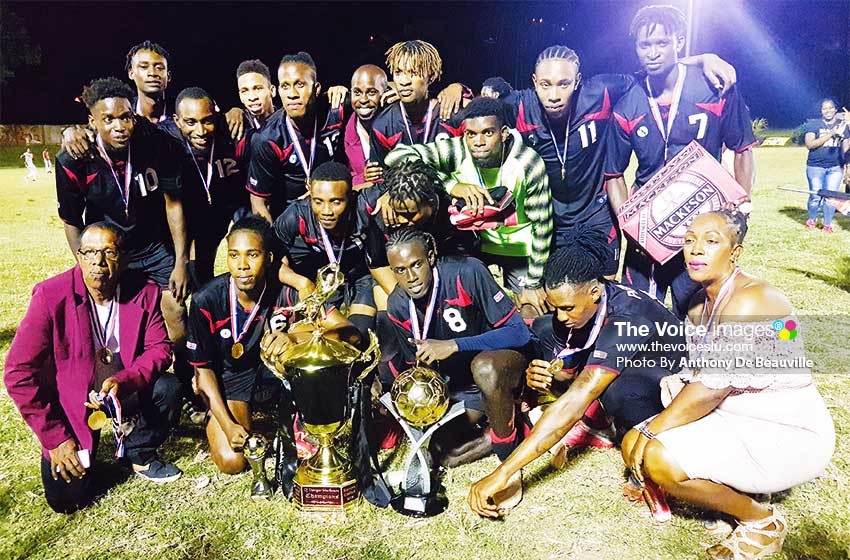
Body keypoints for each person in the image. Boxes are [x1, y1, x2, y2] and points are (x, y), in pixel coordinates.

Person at [620, 210, 835, 559]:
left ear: (735, 252)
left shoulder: (752, 300)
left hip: (790, 430)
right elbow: (700, 378)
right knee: (636, 438)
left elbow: (710, 389)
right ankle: (743, 489)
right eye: (689, 241)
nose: (696, 250)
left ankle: (761, 521)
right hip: (737, 417)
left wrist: (650, 432)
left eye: (710, 241)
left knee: (656, 456)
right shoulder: (697, 306)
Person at [458, 45, 737, 278]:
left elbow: (655, 71)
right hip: (548, 223)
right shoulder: (519, 106)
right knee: (557, 300)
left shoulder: (601, 92)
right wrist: (456, 87)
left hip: (597, 217)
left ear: (577, 81)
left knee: (601, 295)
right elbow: (475, 112)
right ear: (534, 82)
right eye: (545, 85)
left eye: (563, 84)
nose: (554, 95)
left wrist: (702, 59)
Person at [467, 233, 686, 517]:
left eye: (567, 307)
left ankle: (644, 451)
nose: (561, 315)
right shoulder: (581, 305)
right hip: (621, 359)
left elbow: (576, 398)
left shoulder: (627, 318)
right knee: (544, 330)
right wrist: (542, 374)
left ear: (594, 292)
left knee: (618, 390)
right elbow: (567, 372)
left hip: (672, 381)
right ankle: (599, 419)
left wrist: (504, 472)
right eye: (555, 305)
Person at [5, 222, 183, 513]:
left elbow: (160, 349)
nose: (98, 263)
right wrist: (56, 439)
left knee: (169, 387)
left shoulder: (145, 291)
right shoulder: (51, 296)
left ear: (124, 258)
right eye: (89, 252)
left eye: (109, 253)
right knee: (67, 500)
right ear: (79, 256)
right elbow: (17, 373)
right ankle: (88, 452)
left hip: (123, 389)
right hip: (73, 402)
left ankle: (137, 451)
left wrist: (125, 380)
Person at [604, 5, 757, 318]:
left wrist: (742, 205)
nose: (653, 53)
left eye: (662, 43)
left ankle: (703, 366)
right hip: (650, 228)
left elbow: (742, 148)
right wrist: (628, 222)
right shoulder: (627, 101)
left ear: (678, 42)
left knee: (702, 309)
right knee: (638, 312)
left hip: (702, 217)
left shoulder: (715, 86)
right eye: (645, 45)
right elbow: (613, 174)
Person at [188, 216, 359, 474]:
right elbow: (203, 370)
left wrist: (296, 336)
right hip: (232, 380)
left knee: (302, 333)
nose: (242, 265)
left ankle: (299, 420)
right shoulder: (206, 300)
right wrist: (226, 423)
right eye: (234, 256)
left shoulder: (287, 292)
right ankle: (225, 417)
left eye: (252, 255)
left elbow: (350, 333)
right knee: (233, 462)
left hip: (279, 375)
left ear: (268, 259)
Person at [55, 77, 190, 381]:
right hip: (110, 252)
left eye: (125, 116)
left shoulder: (155, 144)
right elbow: (72, 222)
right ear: (93, 122)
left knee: (176, 312)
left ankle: (185, 382)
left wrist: (181, 261)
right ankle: (126, 394)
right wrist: (85, 265)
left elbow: (173, 203)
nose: (119, 126)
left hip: (154, 247)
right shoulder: (73, 160)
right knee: (116, 324)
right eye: (108, 119)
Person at [385, 96, 552, 318]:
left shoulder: (528, 163)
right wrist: (452, 185)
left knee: (531, 313)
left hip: (520, 253)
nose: (478, 142)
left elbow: (542, 227)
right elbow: (395, 157)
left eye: (488, 133)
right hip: (476, 251)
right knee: (469, 311)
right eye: (471, 134)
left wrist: (533, 283)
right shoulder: (459, 150)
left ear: (503, 133)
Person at [381, 228, 531, 466]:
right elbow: (416, 368)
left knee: (483, 367)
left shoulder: (467, 272)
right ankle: (515, 428)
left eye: (416, 264)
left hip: (499, 367)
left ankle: (508, 454)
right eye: (400, 270)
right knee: (445, 453)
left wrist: (455, 345)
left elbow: (520, 332)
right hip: (463, 388)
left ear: (430, 257)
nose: (410, 277)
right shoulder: (398, 305)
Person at [273, 161, 377, 337]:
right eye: (318, 201)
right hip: (323, 281)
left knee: (358, 335)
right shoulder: (296, 214)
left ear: (350, 197)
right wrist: (301, 283)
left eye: (335, 202)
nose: (326, 211)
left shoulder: (364, 205)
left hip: (361, 276)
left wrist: (388, 198)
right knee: (317, 336)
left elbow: (397, 183)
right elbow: (272, 255)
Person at [166, 87, 250, 287]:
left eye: (207, 121)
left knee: (203, 269)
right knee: (189, 274)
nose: (201, 131)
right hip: (185, 213)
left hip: (219, 211)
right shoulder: (164, 137)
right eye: (190, 122)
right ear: (176, 120)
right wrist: (76, 130)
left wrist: (239, 111)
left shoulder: (227, 129)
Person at [247, 51, 345, 222]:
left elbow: (374, 95)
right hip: (291, 220)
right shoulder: (266, 139)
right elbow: (258, 202)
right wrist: (273, 245)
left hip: (336, 210)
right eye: (285, 86)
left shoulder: (335, 110)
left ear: (316, 89)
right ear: (277, 90)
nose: (292, 94)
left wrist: (397, 89)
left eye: (299, 84)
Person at [360, 159, 478, 297]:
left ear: (432, 204)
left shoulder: (453, 211)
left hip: (446, 275)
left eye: (410, 214)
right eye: (399, 212)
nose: (403, 220)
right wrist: (403, 300)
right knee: (384, 300)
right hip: (400, 277)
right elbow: (377, 263)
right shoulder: (383, 214)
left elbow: (466, 261)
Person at [368, 40, 468, 166]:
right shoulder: (383, 126)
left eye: (413, 73)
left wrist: (458, 87)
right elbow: (380, 178)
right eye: (398, 73)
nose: (404, 81)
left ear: (431, 76)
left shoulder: (453, 116)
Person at [802, 99, 849, 232]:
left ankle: (827, 224)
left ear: (835, 110)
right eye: (824, 108)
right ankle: (812, 219)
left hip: (835, 168)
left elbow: (846, 150)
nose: (828, 111)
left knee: (830, 197)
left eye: (830, 108)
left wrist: (847, 167)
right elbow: (810, 144)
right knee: (815, 196)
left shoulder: (843, 125)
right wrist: (831, 134)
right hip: (815, 167)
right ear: (821, 111)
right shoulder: (813, 124)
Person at [344, 64, 389, 190]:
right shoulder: (345, 130)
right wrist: (362, 177)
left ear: (384, 94)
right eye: (357, 92)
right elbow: (343, 178)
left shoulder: (396, 123)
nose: (363, 99)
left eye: (371, 92)